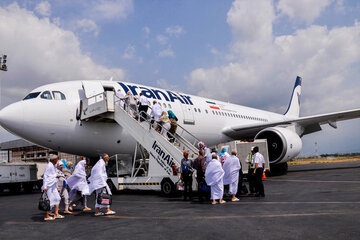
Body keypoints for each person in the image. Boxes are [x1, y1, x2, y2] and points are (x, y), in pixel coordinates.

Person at [42, 154, 63, 221]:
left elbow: (52, 176)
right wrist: (45, 187)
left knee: (57, 198)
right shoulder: (49, 166)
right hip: (48, 186)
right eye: (57, 159)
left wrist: (56, 186)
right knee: (49, 200)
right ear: (54, 160)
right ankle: (46, 216)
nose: (57, 160)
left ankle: (56, 213)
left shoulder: (53, 165)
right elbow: (45, 176)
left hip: (53, 185)